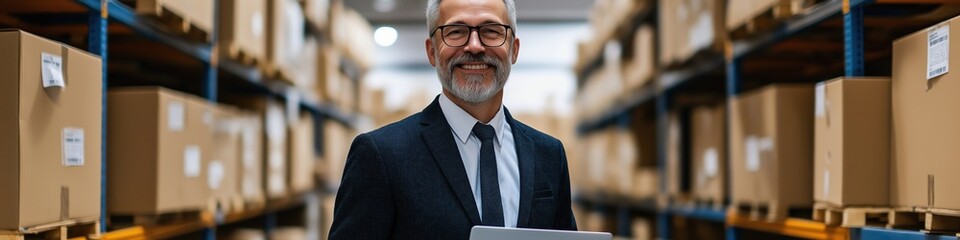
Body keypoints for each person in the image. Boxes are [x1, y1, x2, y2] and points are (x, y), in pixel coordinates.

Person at [328, 0, 577, 238]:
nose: (475, 46)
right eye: (456, 32)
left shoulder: (549, 155)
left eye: (491, 31)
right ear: (432, 51)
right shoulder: (381, 155)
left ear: (513, 50)